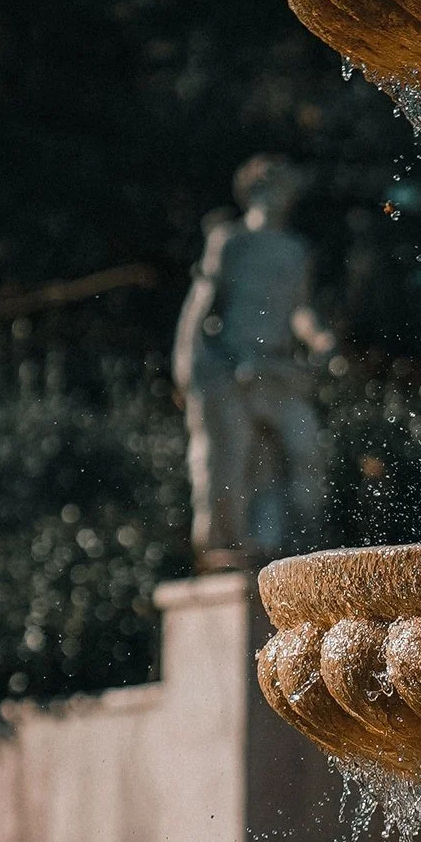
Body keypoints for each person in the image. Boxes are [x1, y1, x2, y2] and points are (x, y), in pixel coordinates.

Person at [171, 155, 335, 567]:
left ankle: (294, 546)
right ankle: (225, 549)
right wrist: (189, 363)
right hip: (232, 366)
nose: (276, 197)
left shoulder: (296, 250)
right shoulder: (230, 240)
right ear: (251, 192)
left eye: (283, 189)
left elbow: (299, 309)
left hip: (277, 371)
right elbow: (205, 301)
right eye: (268, 188)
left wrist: (319, 338)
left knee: (305, 450)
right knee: (231, 461)